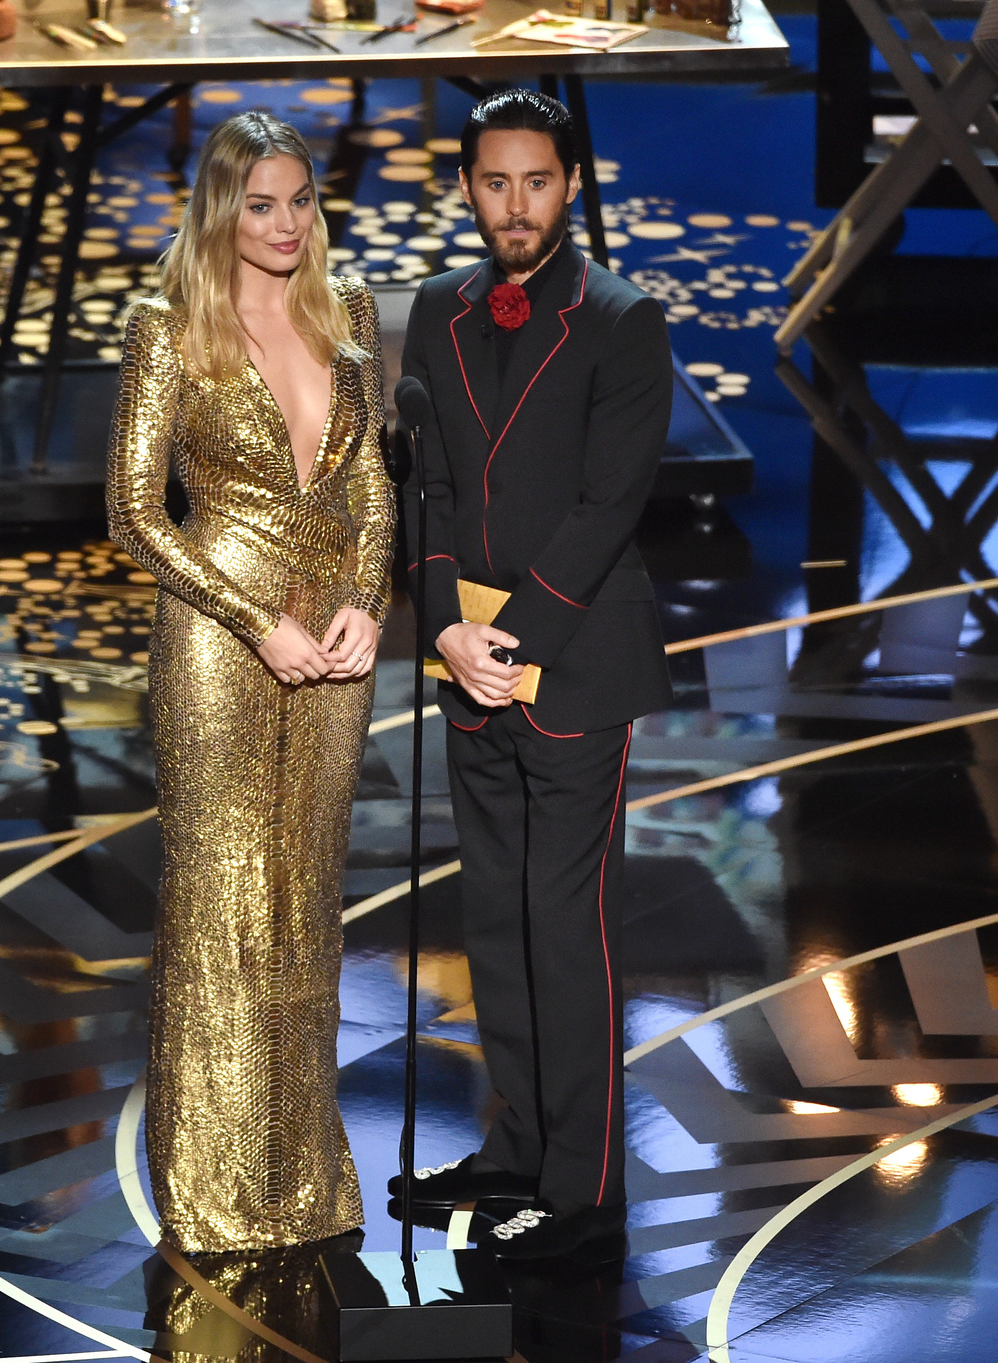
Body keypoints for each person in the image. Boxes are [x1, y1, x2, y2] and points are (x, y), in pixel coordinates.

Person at [106, 111, 394, 1253]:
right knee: (223, 902)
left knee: (305, 905)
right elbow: (133, 511)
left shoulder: (352, 312)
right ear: (221, 210)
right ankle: (215, 1193)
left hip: (334, 641)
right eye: (259, 204)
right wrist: (250, 617)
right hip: (220, 639)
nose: (283, 225)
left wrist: (367, 604)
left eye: (300, 200)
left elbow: (371, 486)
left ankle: (299, 1185)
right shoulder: (167, 326)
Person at [392, 90, 673, 1260]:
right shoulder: (434, 310)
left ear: (569, 185)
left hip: (571, 663)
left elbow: (611, 504)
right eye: (494, 182)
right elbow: (430, 488)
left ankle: (581, 1181)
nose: (516, 205)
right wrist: (448, 627)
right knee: (494, 918)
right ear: (465, 187)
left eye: (537, 182)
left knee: (564, 921)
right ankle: (511, 1149)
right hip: (470, 660)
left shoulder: (620, 319)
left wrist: (514, 644)